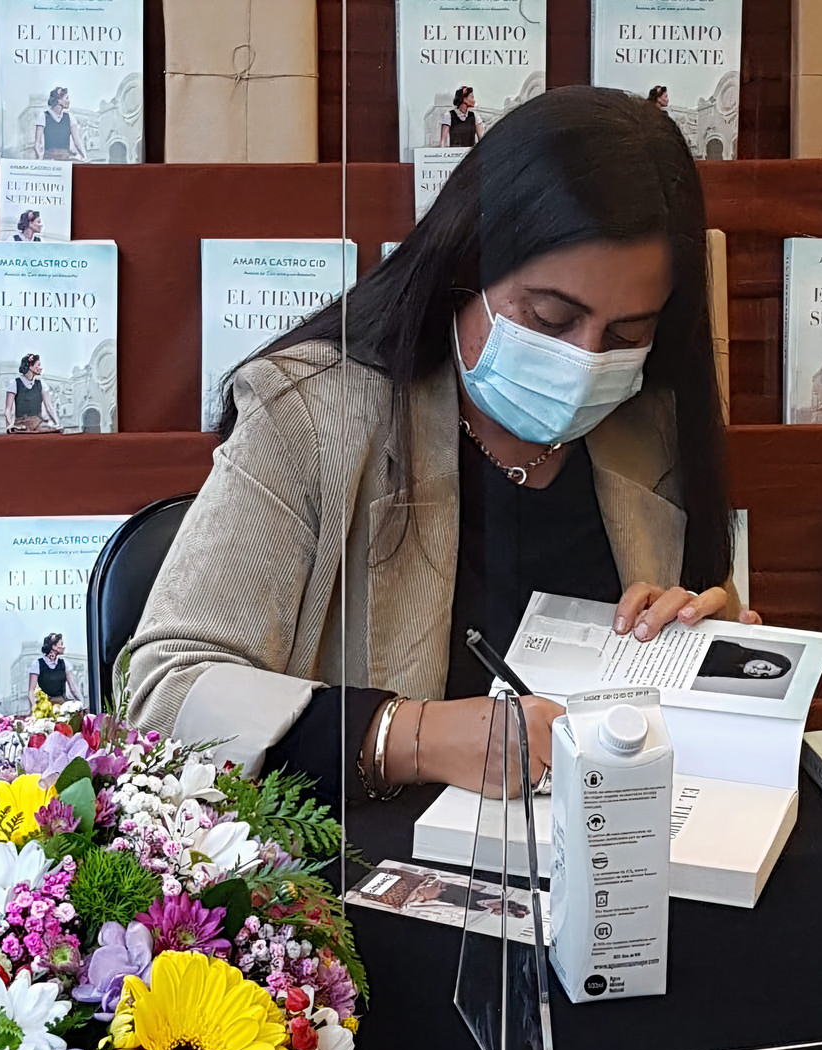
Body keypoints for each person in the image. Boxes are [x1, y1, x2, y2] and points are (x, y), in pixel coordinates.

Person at [128, 86, 758, 806]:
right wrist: (418, 737)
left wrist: (705, 655)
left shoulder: (649, 425)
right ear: (465, 271)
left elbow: (670, 686)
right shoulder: (307, 414)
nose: (585, 360)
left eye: (624, 335)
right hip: (357, 875)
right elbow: (162, 697)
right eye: (549, 317)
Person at [4, 354, 62, 432]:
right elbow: (8, 410)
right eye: (38, 365)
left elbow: (49, 407)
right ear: (30, 367)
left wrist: (57, 424)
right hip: (21, 423)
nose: (40, 368)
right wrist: (10, 424)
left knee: (48, 429)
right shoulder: (15, 383)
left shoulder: (41, 384)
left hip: (38, 423)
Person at [29, 632, 82, 709]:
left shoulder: (64, 664)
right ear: (53, 646)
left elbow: (74, 689)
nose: (63, 647)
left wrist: (82, 705)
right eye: (61, 644)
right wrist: (35, 708)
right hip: (44, 706)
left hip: (61, 705)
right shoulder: (37, 664)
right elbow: (31, 691)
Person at [34, 87, 86, 161]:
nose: (69, 101)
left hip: (65, 161)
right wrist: (39, 158)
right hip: (49, 160)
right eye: (66, 98)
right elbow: (37, 143)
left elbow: (77, 141)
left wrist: (84, 156)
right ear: (59, 100)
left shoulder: (70, 117)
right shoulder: (43, 116)